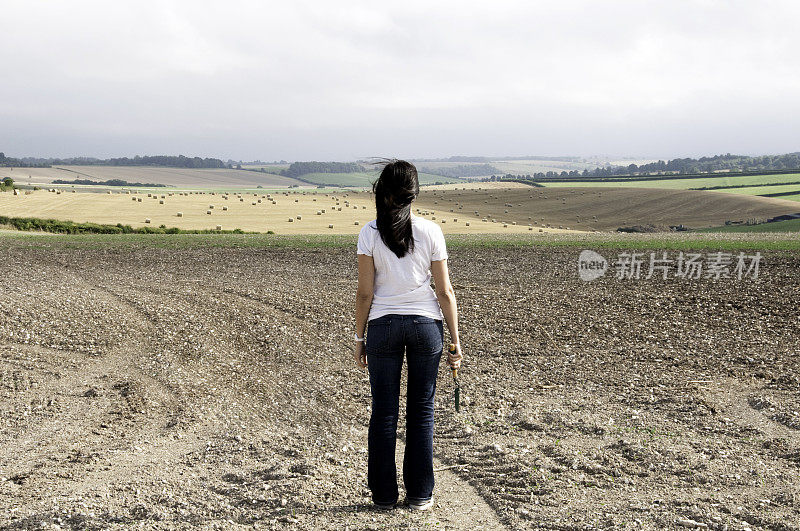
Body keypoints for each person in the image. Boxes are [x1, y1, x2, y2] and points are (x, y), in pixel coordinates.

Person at [353, 159, 463, 511]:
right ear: (413, 195)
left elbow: (365, 293)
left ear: (381, 192)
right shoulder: (432, 231)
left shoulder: (369, 233)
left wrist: (359, 338)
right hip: (426, 327)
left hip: (383, 326)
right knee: (421, 410)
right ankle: (419, 495)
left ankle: (383, 497)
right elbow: (445, 292)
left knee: (384, 411)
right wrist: (456, 341)